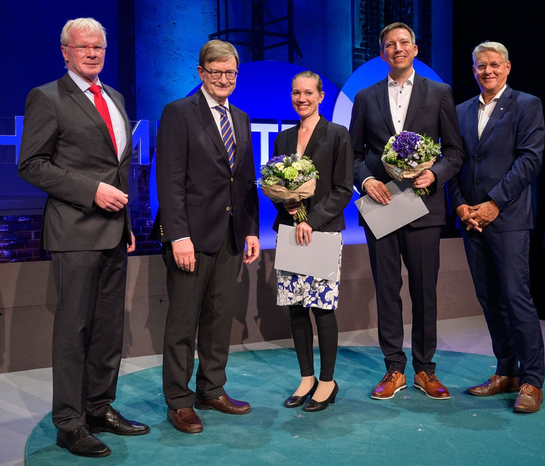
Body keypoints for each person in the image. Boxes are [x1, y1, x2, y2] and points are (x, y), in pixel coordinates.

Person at [18, 18, 149, 458]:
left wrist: (127, 224)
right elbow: (32, 164)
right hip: (74, 230)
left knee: (109, 329)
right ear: (65, 52)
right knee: (74, 332)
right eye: (83, 47)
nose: (92, 53)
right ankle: (69, 423)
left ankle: (99, 408)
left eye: (99, 47)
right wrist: (91, 192)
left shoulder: (114, 96)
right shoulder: (47, 97)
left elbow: (118, 170)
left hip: (114, 232)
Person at [350, 22, 464, 401]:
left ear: (415, 49)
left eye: (403, 43)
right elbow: (352, 155)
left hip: (422, 207)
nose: (397, 49)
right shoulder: (365, 98)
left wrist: (434, 175)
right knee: (387, 289)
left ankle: (425, 371)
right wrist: (365, 181)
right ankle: (393, 369)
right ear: (382, 53)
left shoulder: (439, 92)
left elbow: (454, 152)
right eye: (389, 45)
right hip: (381, 207)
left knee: (424, 291)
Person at [154, 39, 260, 434]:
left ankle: (211, 389)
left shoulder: (243, 117)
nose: (224, 79)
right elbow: (169, 180)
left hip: (231, 237)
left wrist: (251, 230)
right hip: (191, 239)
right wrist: (178, 236)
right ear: (201, 73)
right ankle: (179, 402)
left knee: (218, 321)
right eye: (216, 72)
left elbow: (245, 182)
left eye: (230, 72)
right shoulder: (179, 112)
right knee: (183, 324)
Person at [447, 41, 545, 413]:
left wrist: (493, 204)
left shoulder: (526, 104)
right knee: (490, 301)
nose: (487, 71)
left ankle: (532, 380)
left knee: (516, 299)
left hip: (507, 219)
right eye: (480, 66)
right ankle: (506, 371)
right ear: (473, 70)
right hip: (470, 221)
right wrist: (459, 205)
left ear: (507, 67)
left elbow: (529, 160)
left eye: (493, 65)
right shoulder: (460, 111)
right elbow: (452, 161)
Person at [271, 71, 353, 412]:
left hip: (323, 231)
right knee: (296, 309)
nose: (301, 98)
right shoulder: (283, 138)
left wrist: (312, 220)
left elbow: (343, 189)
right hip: (290, 231)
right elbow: (274, 183)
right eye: (295, 93)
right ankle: (306, 378)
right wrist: (287, 205)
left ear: (321, 96)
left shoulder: (337, 135)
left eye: (308, 92)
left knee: (321, 309)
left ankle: (327, 381)